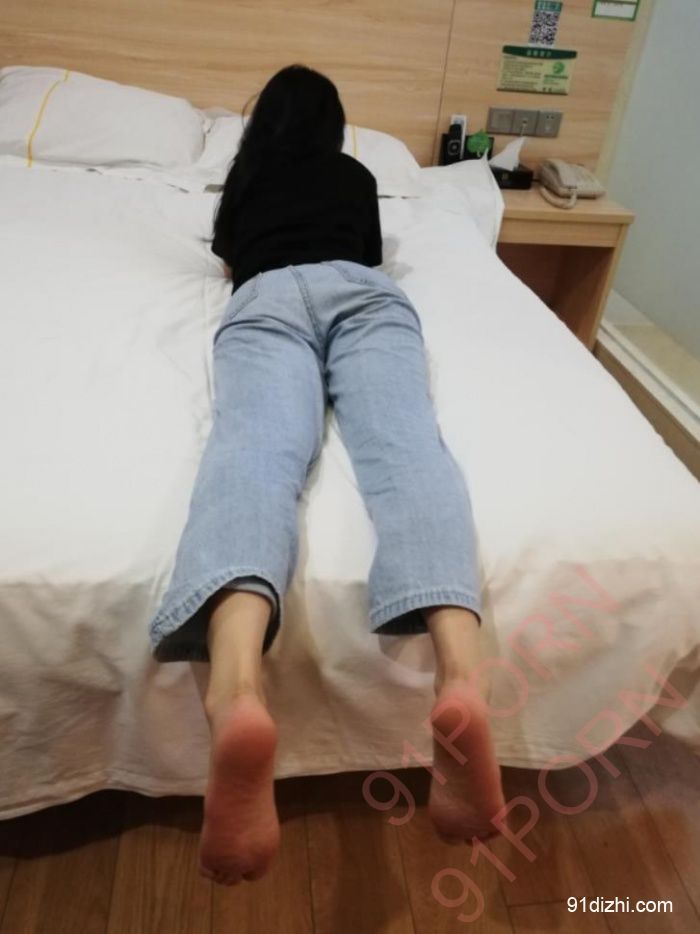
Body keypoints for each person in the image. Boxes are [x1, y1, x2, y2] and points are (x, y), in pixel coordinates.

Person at [147, 64, 505, 887]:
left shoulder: (246, 182)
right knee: (407, 449)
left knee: (255, 453)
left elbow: (231, 262)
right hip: (365, 297)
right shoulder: (355, 176)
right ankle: (461, 678)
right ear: (335, 128)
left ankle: (236, 690)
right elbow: (368, 253)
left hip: (269, 298)